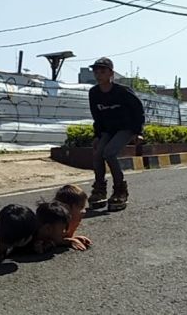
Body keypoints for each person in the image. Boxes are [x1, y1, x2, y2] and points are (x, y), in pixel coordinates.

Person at [87, 57, 145, 212]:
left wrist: (138, 132)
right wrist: (97, 136)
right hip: (108, 130)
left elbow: (138, 110)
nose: (99, 74)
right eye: (96, 71)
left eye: (103, 71)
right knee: (98, 154)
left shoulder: (122, 91)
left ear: (111, 73)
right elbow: (97, 116)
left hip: (126, 128)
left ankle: (120, 190)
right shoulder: (94, 93)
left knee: (109, 153)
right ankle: (99, 189)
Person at [53, 184, 92, 251]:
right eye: (81, 207)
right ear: (67, 209)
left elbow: (66, 235)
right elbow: (50, 239)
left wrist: (73, 237)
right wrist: (67, 241)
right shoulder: (53, 224)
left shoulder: (68, 223)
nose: (84, 211)